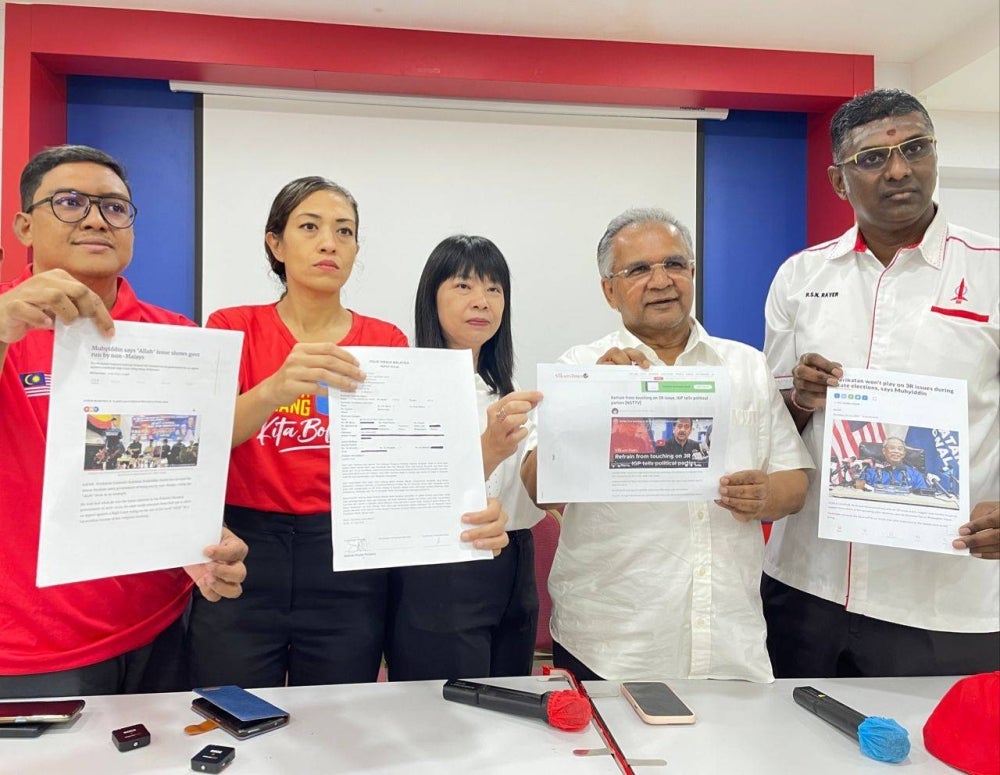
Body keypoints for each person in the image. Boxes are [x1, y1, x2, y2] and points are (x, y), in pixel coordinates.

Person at [186, 179, 510, 689]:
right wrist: (274, 388)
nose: (329, 243)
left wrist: (466, 505)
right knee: (233, 709)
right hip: (244, 551)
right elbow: (201, 442)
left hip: (349, 554)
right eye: (309, 227)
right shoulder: (232, 326)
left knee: (338, 713)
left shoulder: (384, 341)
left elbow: (405, 464)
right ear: (276, 243)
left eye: (344, 231)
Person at [763, 88, 1000, 678]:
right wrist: (800, 399)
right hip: (808, 582)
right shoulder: (800, 276)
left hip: (945, 596)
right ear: (839, 181)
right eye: (872, 157)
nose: (898, 169)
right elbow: (770, 427)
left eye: (915, 148)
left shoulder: (991, 269)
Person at [521, 207, 812, 682]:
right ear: (609, 290)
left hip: (728, 637)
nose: (661, 281)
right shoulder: (581, 367)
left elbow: (795, 482)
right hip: (612, 641)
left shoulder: (745, 366)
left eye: (674, 264)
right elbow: (539, 490)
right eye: (638, 269)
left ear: (692, 273)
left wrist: (764, 496)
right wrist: (591, 401)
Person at [0, 145, 248, 698]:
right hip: (29, 650)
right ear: (24, 226)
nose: (95, 219)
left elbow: (173, 473)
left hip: (161, 628)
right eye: (69, 202)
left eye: (114, 207)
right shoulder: (4, 324)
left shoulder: (175, 338)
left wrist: (202, 545)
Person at [385, 235, 543, 681]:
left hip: (515, 563)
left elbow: (536, 489)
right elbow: (406, 498)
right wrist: (488, 450)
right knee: (445, 710)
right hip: (440, 570)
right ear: (430, 298)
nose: (482, 301)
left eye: (494, 289)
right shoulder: (404, 388)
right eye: (463, 286)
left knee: (509, 703)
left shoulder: (507, 390)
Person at [855, 437, 928, 492]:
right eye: (892, 448)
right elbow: (858, 491)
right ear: (884, 451)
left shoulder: (915, 475)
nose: (896, 451)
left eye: (900, 449)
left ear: (904, 453)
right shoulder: (871, 472)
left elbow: (923, 496)